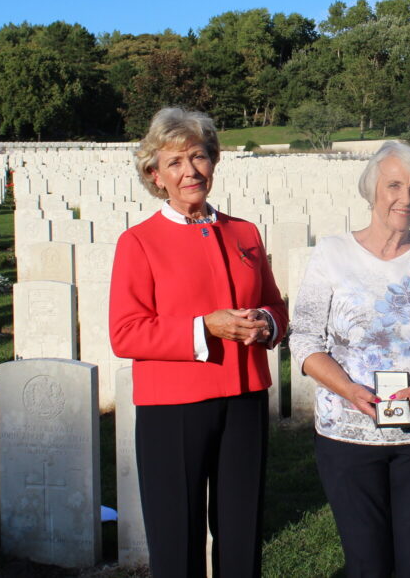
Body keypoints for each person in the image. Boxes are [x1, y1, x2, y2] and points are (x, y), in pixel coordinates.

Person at [290, 141, 410, 577]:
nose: (406, 198)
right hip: (348, 433)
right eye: (395, 185)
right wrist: (350, 390)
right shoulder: (332, 254)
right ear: (371, 189)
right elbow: (304, 338)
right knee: (366, 563)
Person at [109, 107, 287, 578]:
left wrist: (267, 323)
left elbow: (275, 304)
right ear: (155, 174)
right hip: (174, 405)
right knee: (177, 536)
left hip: (245, 397)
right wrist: (204, 328)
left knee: (242, 528)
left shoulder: (243, 232)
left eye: (200, 157)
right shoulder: (139, 242)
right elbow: (125, 331)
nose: (191, 171)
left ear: (214, 160)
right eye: (175, 162)